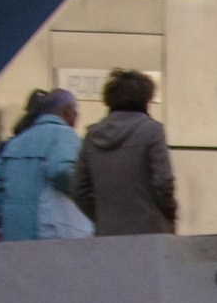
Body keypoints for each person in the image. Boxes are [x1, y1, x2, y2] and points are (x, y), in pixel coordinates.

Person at [68, 68, 180, 235]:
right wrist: (170, 214)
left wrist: (101, 216)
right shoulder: (152, 131)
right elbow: (162, 183)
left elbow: (79, 190)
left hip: (108, 233)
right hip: (149, 232)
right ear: (146, 98)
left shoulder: (92, 136)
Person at [0, 89, 91, 241]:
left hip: (16, 235)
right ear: (69, 112)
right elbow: (61, 171)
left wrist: (12, 216)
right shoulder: (65, 134)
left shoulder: (17, 141)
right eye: (76, 113)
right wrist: (86, 192)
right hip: (53, 233)